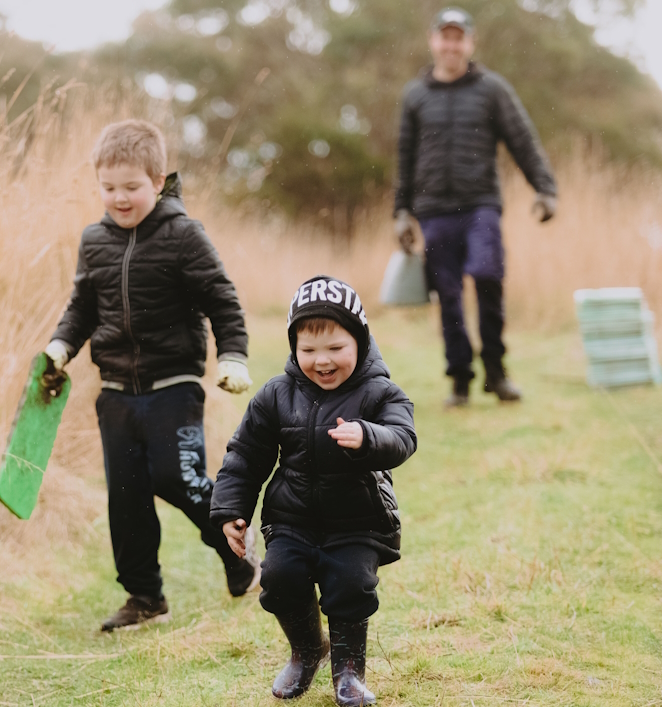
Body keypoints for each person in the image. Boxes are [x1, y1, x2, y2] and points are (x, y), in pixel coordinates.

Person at [44, 119, 259, 632]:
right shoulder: (94, 241)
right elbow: (82, 308)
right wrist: (60, 347)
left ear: (158, 182)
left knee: (177, 478)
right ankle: (144, 595)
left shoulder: (182, 234)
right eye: (109, 187)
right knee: (127, 494)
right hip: (116, 393)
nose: (119, 198)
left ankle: (240, 550)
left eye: (132, 187)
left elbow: (221, 299)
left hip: (173, 387)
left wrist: (233, 355)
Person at [211, 276, 417, 704]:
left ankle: (348, 671)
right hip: (293, 519)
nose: (322, 361)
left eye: (335, 348)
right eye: (308, 350)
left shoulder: (380, 392)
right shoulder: (276, 395)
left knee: (350, 585)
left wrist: (369, 436)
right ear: (294, 348)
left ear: (359, 341)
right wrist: (232, 509)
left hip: (357, 519)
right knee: (279, 577)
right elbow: (246, 455)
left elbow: (402, 437)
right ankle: (307, 652)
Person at [394, 6, 558, 407]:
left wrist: (544, 187)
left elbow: (522, 138)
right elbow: (404, 156)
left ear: (470, 42)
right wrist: (400, 211)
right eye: (445, 37)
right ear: (434, 41)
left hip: (481, 205)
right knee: (447, 295)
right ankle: (461, 379)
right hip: (432, 210)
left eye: (458, 37)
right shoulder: (414, 96)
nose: (451, 44)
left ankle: (497, 373)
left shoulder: (492, 89)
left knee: (487, 277)